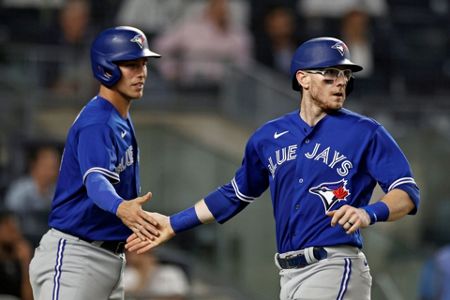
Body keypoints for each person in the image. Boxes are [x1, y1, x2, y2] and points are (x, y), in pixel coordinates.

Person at [126, 37, 420, 300]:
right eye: (330, 74)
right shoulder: (269, 136)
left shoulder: (366, 132)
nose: (341, 81)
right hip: (289, 275)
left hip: (334, 264)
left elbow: (406, 193)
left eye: (345, 74)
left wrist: (367, 212)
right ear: (303, 78)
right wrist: (174, 223)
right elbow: (234, 194)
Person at [29, 26, 162, 300]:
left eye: (143, 64)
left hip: (108, 258)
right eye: (130, 64)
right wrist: (121, 207)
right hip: (76, 257)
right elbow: (96, 181)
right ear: (106, 68)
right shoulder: (98, 121)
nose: (141, 73)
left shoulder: (118, 117)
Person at [154, 0, 252, 90]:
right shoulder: (190, 28)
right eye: (218, 6)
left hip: (225, 90)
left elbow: (244, 62)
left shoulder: (237, 33)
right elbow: (162, 46)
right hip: (191, 86)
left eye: (225, 7)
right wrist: (170, 71)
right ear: (209, 8)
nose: (222, 10)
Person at [5, 143, 60, 246]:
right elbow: (9, 220)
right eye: (46, 166)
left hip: (50, 242)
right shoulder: (20, 189)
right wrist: (18, 242)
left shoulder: (58, 192)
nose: (51, 171)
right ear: (34, 165)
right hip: (22, 240)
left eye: (54, 167)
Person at [124, 250, 190, 300]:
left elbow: (178, 297)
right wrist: (144, 275)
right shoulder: (128, 274)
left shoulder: (171, 272)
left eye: (145, 254)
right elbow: (124, 296)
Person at [0, 210, 33, 300]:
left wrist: (26, 263)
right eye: (7, 227)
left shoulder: (20, 259)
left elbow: (28, 298)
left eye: (15, 229)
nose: (14, 232)